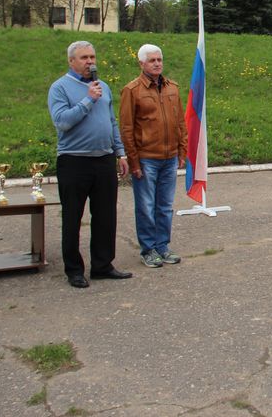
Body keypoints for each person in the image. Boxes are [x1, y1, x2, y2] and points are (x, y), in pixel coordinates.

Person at [48, 41, 131, 288]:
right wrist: (88, 100)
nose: (90, 62)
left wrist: (120, 153)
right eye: (84, 57)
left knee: (105, 216)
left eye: (92, 57)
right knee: (72, 217)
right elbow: (62, 122)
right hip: (74, 160)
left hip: (104, 159)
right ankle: (74, 270)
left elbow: (111, 121)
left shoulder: (103, 86)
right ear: (71, 61)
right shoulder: (59, 87)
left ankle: (102, 265)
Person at [120, 44, 187, 268]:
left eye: (159, 59)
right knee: (146, 206)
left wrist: (182, 150)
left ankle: (163, 246)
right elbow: (127, 129)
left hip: (169, 157)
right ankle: (148, 249)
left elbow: (180, 122)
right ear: (141, 63)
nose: (157, 63)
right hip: (146, 158)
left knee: (165, 206)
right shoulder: (132, 90)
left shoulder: (172, 88)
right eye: (152, 60)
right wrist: (134, 161)